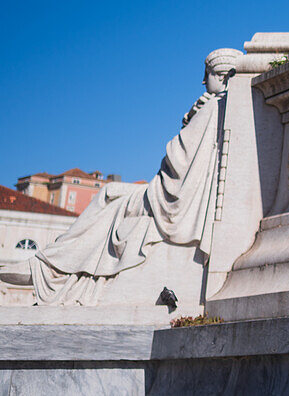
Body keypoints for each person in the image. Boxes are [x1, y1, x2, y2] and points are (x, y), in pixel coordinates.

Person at [0, 48, 242, 305]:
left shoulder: (210, 108)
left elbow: (176, 158)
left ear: (218, 74)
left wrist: (190, 120)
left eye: (206, 75)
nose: (204, 82)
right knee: (109, 194)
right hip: (173, 192)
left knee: (107, 193)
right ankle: (53, 262)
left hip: (168, 197)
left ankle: (50, 265)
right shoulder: (217, 107)